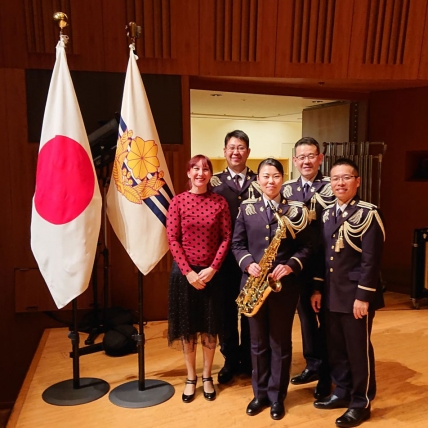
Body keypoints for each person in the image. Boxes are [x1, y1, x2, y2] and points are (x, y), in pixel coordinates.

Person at [232, 158, 314, 420]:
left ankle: (277, 396)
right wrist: (248, 265)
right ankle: (260, 394)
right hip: (254, 285)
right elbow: (238, 244)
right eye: (265, 176)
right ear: (258, 180)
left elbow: (307, 247)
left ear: (283, 178)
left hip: (283, 288)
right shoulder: (247, 208)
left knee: (280, 342)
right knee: (257, 344)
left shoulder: (296, 210)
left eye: (276, 176)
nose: (271, 181)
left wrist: (290, 265)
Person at [311, 158, 385, 427]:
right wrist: (318, 289)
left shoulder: (368, 213)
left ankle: (360, 401)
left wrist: (363, 296)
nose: (339, 183)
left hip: (356, 297)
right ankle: (341, 391)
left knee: (358, 350)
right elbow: (323, 256)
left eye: (345, 178)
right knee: (337, 349)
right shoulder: (328, 213)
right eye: (335, 179)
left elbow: (371, 260)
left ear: (357, 181)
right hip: (332, 295)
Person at [166, 154, 232, 403]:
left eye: (205, 169)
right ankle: (191, 377)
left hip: (212, 275)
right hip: (185, 275)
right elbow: (173, 239)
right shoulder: (178, 202)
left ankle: (207, 376)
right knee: (188, 329)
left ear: (210, 174)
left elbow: (226, 238)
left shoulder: (220, 202)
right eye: (195, 168)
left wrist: (213, 268)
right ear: (188, 173)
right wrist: (188, 272)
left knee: (210, 327)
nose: (200, 173)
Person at [284, 137, 335, 399]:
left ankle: (328, 372)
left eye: (311, 156)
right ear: (295, 160)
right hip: (298, 267)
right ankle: (312, 364)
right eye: (301, 156)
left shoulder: (332, 187)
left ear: (320, 158)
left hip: (326, 267)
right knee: (305, 319)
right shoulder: (288, 189)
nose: (306, 161)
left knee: (325, 322)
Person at [210, 130, 260, 384]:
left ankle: (250, 361)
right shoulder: (214, 183)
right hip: (223, 261)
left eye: (241, 147)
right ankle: (230, 359)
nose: (236, 152)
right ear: (224, 151)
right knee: (226, 312)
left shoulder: (259, 182)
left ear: (248, 152)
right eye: (231, 147)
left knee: (250, 310)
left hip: (252, 260)